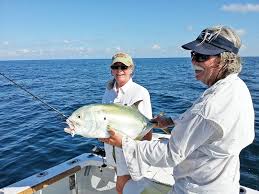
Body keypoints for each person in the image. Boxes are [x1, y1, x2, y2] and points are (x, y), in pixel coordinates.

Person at [100, 26, 255, 194]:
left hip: (195, 189)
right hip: (223, 182)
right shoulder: (236, 87)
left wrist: (123, 142)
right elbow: (201, 121)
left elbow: (170, 154)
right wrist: (171, 121)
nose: (194, 61)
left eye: (202, 56)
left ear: (225, 60)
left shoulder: (209, 107)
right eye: (193, 54)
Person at [102, 52, 153, 194]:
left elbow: (147, 128)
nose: (119, 71)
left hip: (129, 152)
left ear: (131, 69)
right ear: (111, 69)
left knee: (122, 188)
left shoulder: (140, 92)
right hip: (111, 150)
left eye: (123, 67)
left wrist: (143, 154)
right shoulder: (108, 92)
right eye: (115, 67)